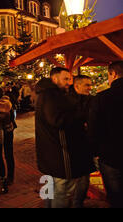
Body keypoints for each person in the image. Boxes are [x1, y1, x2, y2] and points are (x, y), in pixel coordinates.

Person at [35, 67, 94, 208]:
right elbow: (58, 120)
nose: (69, 82)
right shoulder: (51, 95)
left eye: (70, 79)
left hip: (51, 152)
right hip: (59, 153)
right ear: (54, 79)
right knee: (62, 192)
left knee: (53, 189)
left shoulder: (48, 94)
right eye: (65, 79)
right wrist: (82, 115)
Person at [89, 61, 123, 208]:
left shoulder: (102, 98)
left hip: (110, 156)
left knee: (115, 197)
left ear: (113, 74)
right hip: (110, 154)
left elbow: (93, 128)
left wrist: (95, 151)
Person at [65, 75, 95, 208]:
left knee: (84, 177)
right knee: (69, 180)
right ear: (77, 86)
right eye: (87, 85)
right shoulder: (66, 101)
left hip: (86, 145)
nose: (90, 87)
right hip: (70, 145)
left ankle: (78, 203)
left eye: (90, 84)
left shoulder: (92, 100)